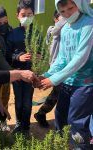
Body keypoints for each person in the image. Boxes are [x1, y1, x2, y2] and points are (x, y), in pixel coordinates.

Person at [38, 0, 93, 149]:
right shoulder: (65, 29)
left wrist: (54, 79)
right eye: (62, 11)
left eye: (71, 8)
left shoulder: (89, 24)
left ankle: (81, 147)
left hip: (84, 83)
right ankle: (61, 143)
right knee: (60, 115)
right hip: (67, 82)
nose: (68, 13)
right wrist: (47, 74)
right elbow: (61, 58)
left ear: (79, 5)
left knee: (77, 120)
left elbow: (80, 57)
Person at [34, 11, 66, 128]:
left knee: (57, 93)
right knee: (59, 93)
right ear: (55, 19)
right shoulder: (54, 30)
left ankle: (41, 113)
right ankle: (43, 114)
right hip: (57, 67)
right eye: (63, 17)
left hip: (61, 66)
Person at [7, 0, 34, 135]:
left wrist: (39, 55)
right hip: (17, 73)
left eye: (30, 14)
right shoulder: (13, 33)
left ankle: (26, 127)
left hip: (31, 74)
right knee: (19, 101)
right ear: (17, 15)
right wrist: (18, 57)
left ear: (33, 15)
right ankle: (18, 124)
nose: (27, 18)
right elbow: (8, 54)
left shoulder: (36, 33)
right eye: (23, 15)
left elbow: (42, 50)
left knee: (28, 102)